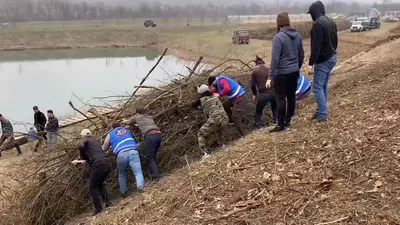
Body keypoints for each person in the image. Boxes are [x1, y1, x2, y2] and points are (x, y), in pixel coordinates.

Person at [267, 12, 304, 132]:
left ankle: (280, 124)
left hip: (281, 73)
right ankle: (288, 121)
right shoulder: (297, 35)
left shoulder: (278, 37)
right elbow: (301, 54)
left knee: (281, 99)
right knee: (291, 97)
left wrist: (270, 77)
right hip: (294, 72)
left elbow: (275, 59)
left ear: (279, 23)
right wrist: (296, 67)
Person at [308, 1, 338, 122]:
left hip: (323, 60)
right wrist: (333, 51)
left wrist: (311, 63)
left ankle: (322, 115)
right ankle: (321, 109)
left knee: (316, 88)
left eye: (311, 13)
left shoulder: (318, 24)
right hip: (332, 57)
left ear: (315, 12)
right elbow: (336, 41)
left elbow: (316, 46)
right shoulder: (331, 21)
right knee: (323, 86)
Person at [74, 129, 112, 216]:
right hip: (107, 163)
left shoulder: (85, 140)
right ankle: (108, 202)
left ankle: (98, 208)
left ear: (83, 136)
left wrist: (83, 157)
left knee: (92, 187)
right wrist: (86, 160)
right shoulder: (96, 142)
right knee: (100, 184)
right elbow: (94, 154)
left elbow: (81, 145)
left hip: (99, 164)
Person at [102, 122, 144, 196]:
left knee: (122, 174)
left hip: (121, 154)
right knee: (138, 172)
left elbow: (105, 147)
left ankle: (124, 192)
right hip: (133, 151)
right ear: (120, 126)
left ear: (113, 128)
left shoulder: (110, 134)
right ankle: (140, 187)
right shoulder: (127, 131)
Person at [125, 108, 162, 181]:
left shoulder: (137, 116)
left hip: (150, 135)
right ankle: (156, 174)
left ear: (137, 113)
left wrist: (125, 121)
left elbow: (128, 122)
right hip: (159, 134)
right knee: (153, 156)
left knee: (150, 157)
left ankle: (156, 177)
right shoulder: (149, 117)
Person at [191, 85, 229, 156]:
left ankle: (205, 154)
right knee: (218, 129)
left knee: (200, 133)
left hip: (215, 120)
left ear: (201, 94)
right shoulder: (215, 96)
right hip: (225, 118)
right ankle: (224, 145)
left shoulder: (201, 100)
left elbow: (193, 105)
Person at [251, 56, 277, 128]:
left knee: (259, 110)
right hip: (274, 91)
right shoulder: (270, 70)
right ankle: (276, 121)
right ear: (263, 63)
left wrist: (255, 94)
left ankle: (259, 126)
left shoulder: (255, 72)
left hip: (263, 94)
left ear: (257, 65)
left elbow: (252, 85)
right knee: (274, 107)